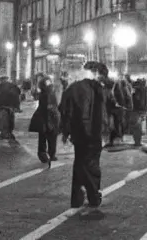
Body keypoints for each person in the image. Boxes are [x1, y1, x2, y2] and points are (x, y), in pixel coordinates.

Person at [59, 62, 107, 220]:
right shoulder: (96, 89)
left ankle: (78, 197)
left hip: (81, 133)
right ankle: (92, 196)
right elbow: (92, 113)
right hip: (92, 134)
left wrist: (67, 130)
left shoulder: (75, 88)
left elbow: (64, 108)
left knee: (80, 163)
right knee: (90, 164)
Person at [29, 75, 61, 164]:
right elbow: (48, 107)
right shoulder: (47, 94)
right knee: (48, 137)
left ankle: (47, 155)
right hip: (48, 118)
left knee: (45, 137)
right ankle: (48, 155)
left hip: (48, 118)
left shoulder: (48, 93)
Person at [130, 78, 147, 147]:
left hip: (137, 110)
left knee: (136, 127)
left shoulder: (138, 90)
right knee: (139, 126)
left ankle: (137, 142)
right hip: (144, 110)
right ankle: (138, 141)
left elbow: (137, 99)